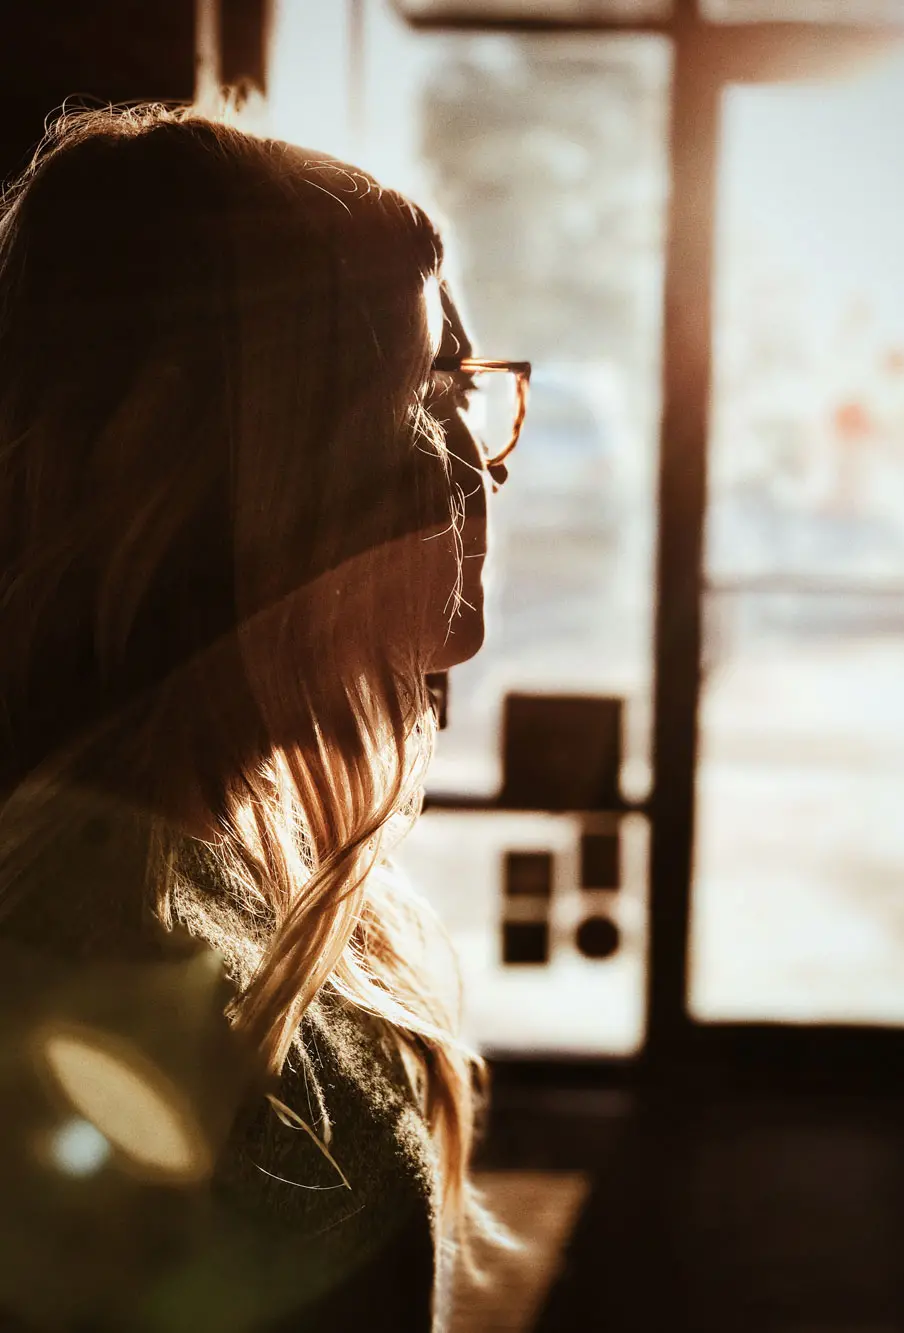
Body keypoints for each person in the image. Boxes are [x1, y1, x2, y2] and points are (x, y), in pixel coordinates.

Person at [0, 103, 526, 1331]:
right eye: (425, 391)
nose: (481, 464)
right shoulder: (89, 950)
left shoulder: (203, 857)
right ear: (208, 465)